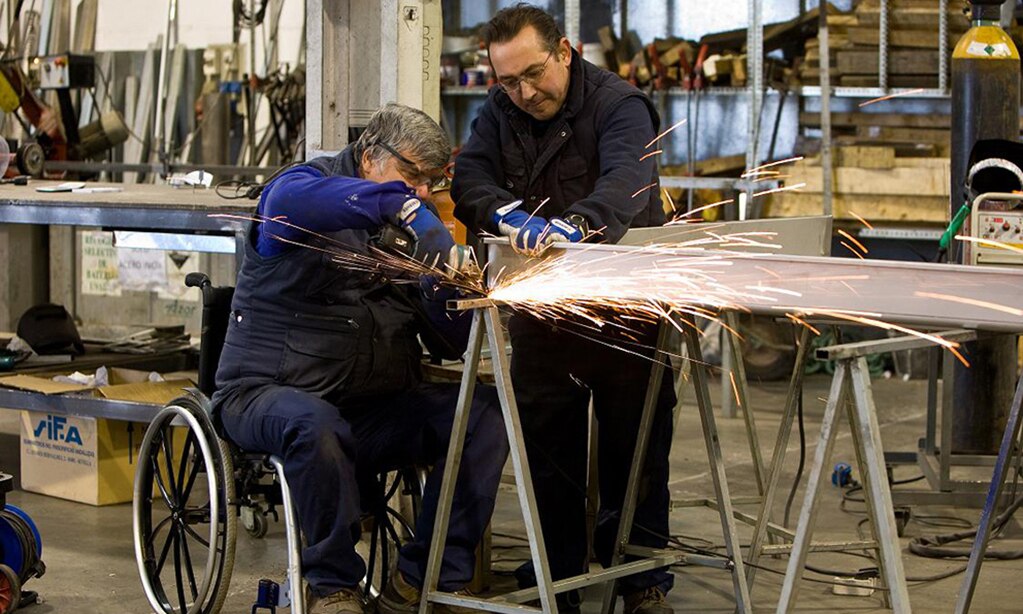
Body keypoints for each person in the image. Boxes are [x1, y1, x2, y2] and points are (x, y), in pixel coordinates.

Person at [212, 103, 509, 614]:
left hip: (370, 408)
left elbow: (453, 344)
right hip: (267, 395)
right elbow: (314, 200)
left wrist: (448, 289)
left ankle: (423, 579)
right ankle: (333, 587)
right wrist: (406, 207)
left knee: (485, 413)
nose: (419, 191)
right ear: (369, 156)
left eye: (430, 182)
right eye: (410, 174)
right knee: (314, 422)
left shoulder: (411, 232)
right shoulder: (299, 190)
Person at [451, 5, 676, 614]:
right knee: (549, 449)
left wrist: (579, 223)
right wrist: (504, 214)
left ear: (565, 52)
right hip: (544, 310)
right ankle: (556, 574)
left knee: (636, 447)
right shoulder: (500, 112)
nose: (524, 93)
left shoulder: (619, 105)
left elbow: (629, 181)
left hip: (628, 306)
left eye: (533, 75)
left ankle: (641, 579)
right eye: (508, 82)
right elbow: (468, 177)